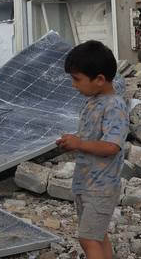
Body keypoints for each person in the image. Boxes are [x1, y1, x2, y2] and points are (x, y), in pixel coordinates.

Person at [57, 40, 129, 259]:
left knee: (88, 239)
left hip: (102, 187)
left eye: (77, 79)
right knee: (96, 236)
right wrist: (74, 142)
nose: (73, 85)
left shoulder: (114, 105)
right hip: (86, 183)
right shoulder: (92, 102)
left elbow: (111, 146)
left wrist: (79, 144)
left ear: (99, 79)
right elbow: (93, 139)